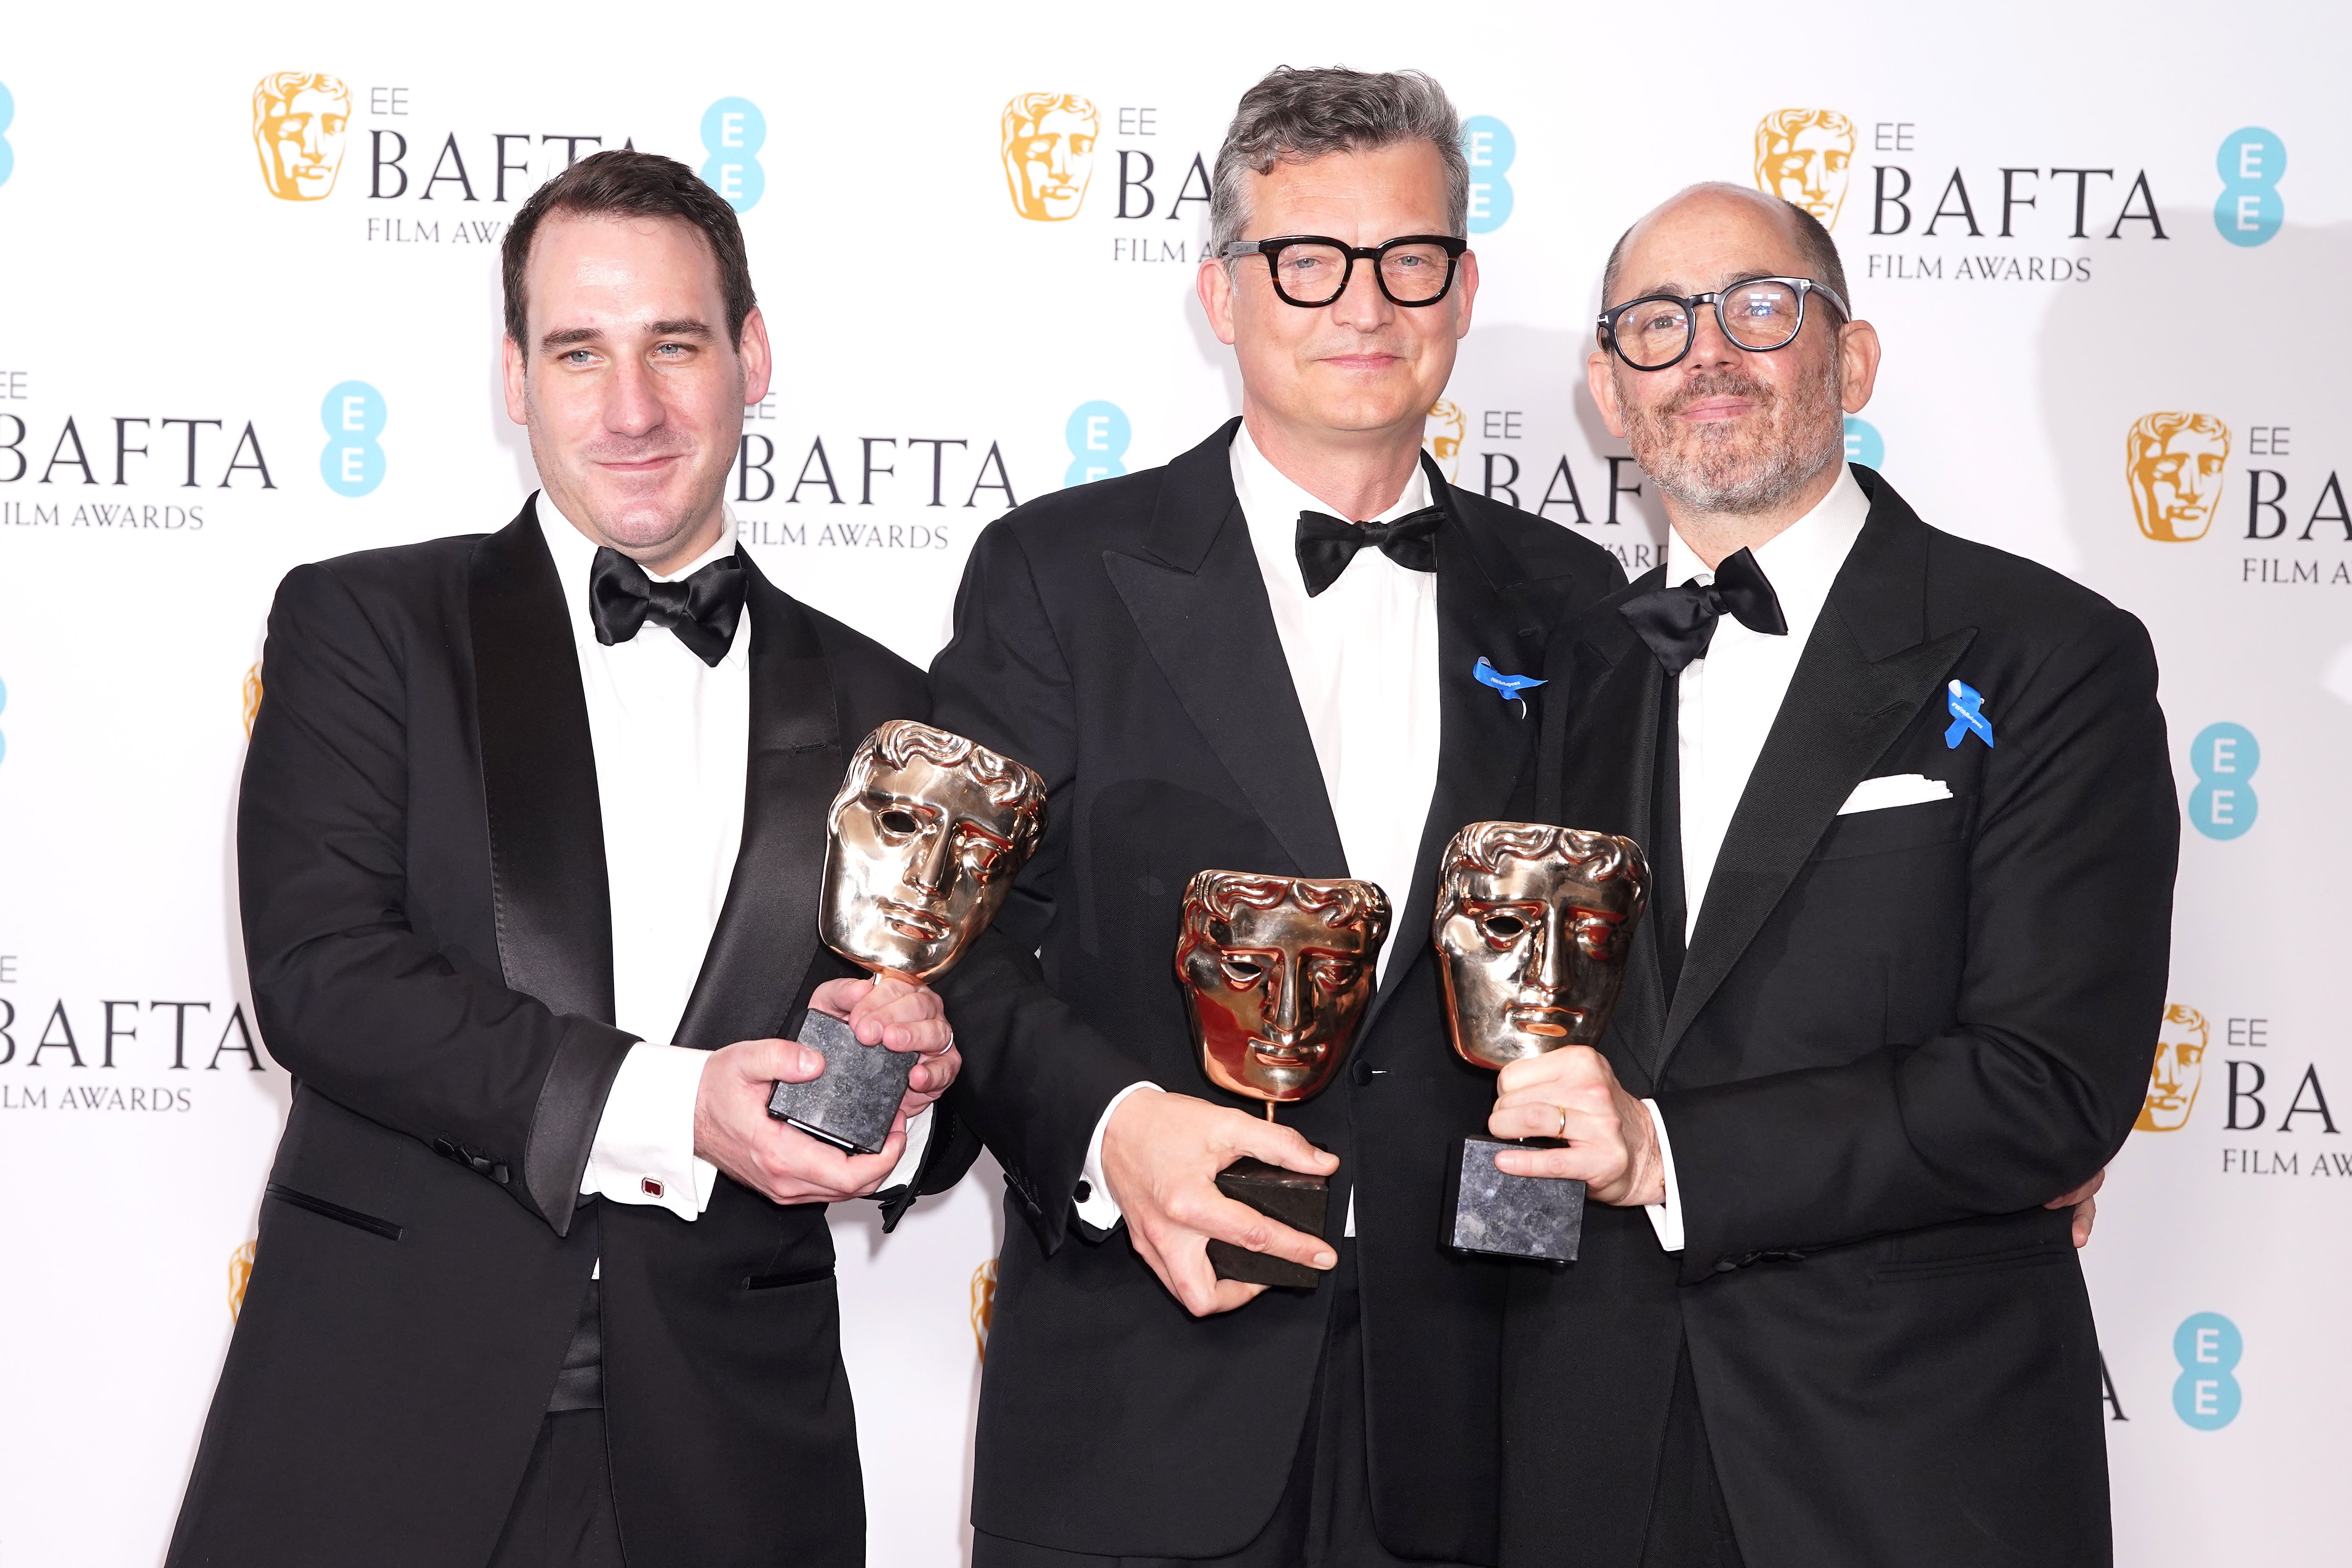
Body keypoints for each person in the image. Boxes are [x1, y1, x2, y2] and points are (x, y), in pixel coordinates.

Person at [166, 150, 969, 1568]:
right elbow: (323, 977)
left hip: (736, 1456)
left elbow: (940, 1104)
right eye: (579, 351)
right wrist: (676, 1106)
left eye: (676, 344)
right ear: (514, 377)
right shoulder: (367, 629)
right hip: (383, 1424)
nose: (636, 408)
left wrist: (907, 1080)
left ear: (753, 355)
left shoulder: (889, 713)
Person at [933, 66, 1625, 1568]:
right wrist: (1112, 1131)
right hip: (1145, 1397)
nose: (1362, 306)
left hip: (1485, 1419)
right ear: (1220, 294)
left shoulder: (1582, 605)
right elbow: (944, 952)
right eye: (1306, 261)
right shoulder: (1057, 574)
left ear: (1462, 287)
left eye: (1408, 259)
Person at [1493, 182, 2175, 1567]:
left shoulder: (2049, 656)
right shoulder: (1560, 677)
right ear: (1611, 394)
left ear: (1851, 362)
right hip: (1585, 1456)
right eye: (1658, 324)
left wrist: (1670, 1152)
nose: (1708, 353)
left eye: (1759, 307)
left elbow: (2050, 1082)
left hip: (1914, 1469)